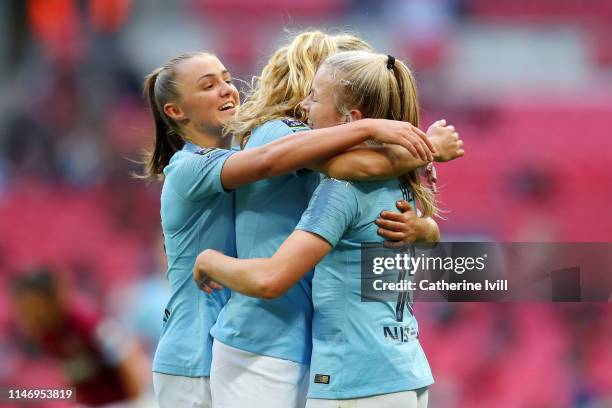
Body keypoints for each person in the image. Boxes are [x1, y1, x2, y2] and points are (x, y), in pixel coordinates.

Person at [143, 49, 441, 408]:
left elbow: (358, 166)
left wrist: (424, 224)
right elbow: (285, 161)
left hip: (256, 341)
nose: (226, 89)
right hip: (195, 356)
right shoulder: (192, 166)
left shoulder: (250, 150)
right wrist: (410, 143)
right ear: (175, 112)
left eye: (225, 78)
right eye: (208, 86)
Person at [10, 267, 150, 407]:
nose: (28, 317)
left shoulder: (88, 322)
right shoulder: (46, 334)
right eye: (23, 310)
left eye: (32, 308)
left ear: (52, 299)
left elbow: (126, 356)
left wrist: (139, 402)